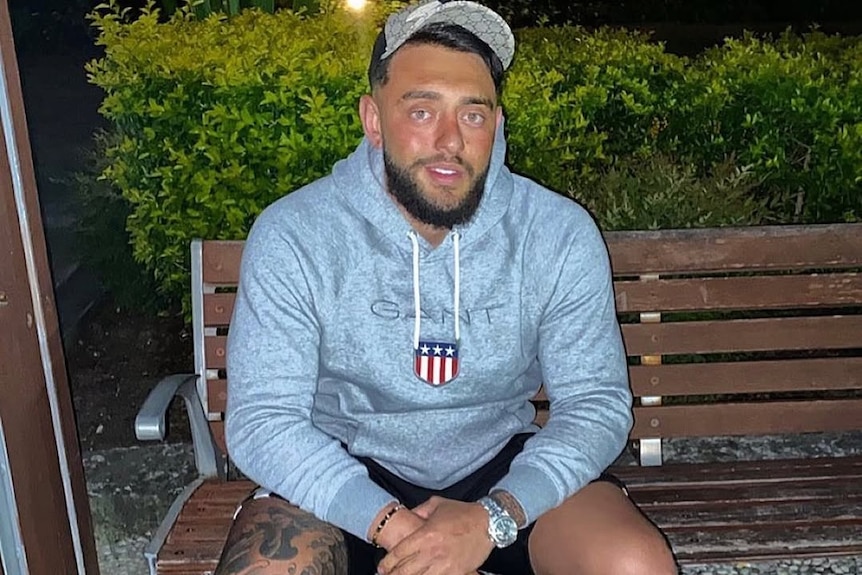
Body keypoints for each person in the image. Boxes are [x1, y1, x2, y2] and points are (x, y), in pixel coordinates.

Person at [220, 1, 678, 574]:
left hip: (504, 473)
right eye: (421, 111)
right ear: (373, 118)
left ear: (498, 124)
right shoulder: (296, 234)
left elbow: (595, 405)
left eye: (473, 114)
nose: (449, 141)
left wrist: (493, 517)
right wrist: (397, 526)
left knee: (632, 564)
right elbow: (263, 421)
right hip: (342, 474)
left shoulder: (556, 233)